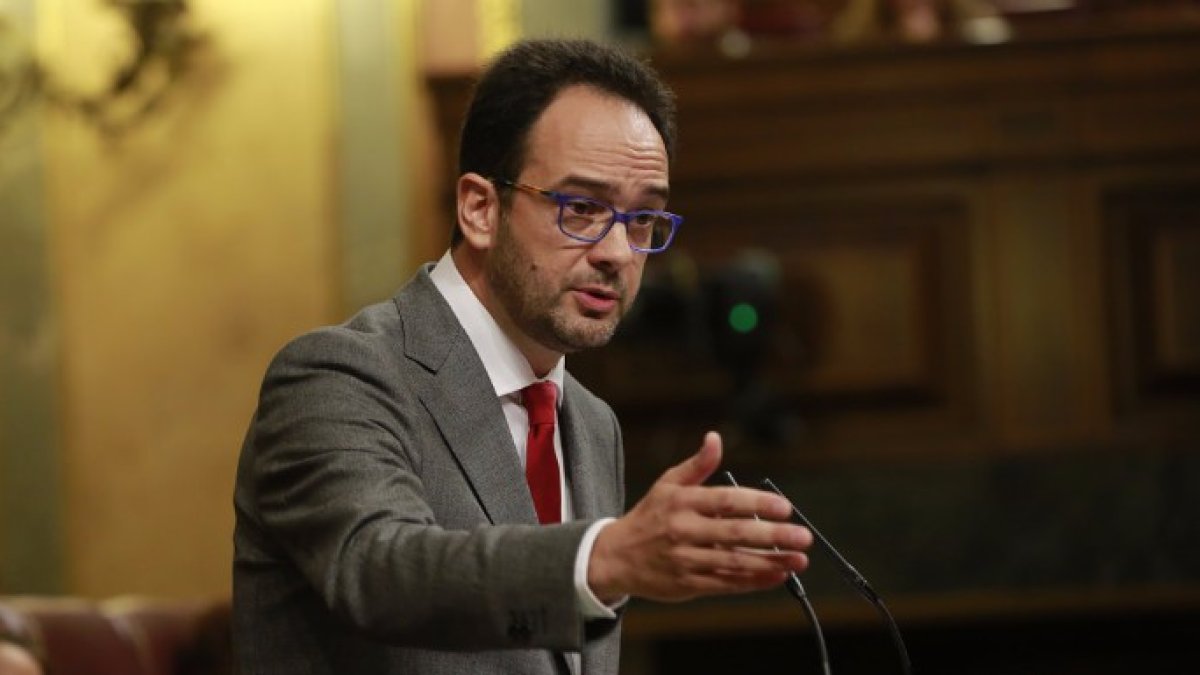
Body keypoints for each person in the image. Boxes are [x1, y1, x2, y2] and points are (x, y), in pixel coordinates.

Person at [232, 38, 812, 675]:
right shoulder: (339, 376)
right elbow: (380, 570)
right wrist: (606, 557)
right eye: (582, 208)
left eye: (643, 219)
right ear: (480, 208)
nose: (619, 252)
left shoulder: (592, 424)